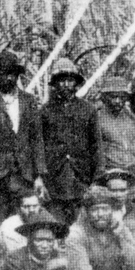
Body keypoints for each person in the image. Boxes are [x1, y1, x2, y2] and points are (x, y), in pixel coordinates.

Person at [0, 50, 47, 228]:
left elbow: (36, 139)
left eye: (12, 74)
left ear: (17, 76)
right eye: (3, 74)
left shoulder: (28, 101)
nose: (8, 79)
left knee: (25, 221)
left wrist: (38, 176)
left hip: (23, 173)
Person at [39, 58, 99, 223]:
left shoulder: (88, 110)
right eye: (62, 80)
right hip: (54, 180)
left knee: (81, 224)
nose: (66, 85)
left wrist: (96, 180)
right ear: (55, 84)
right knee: (56, 225)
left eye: (70, 80)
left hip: (81, 178)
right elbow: (39, 148)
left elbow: (96, 147)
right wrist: (41, 180)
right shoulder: (45, 111)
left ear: (76, 83)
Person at [96, 75, 135, 180]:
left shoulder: (132, 118)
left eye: (121, 97)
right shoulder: (97, 118)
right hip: (110, 175)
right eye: (113, 97)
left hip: (133, 174)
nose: (118, 101)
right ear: (105, 97)